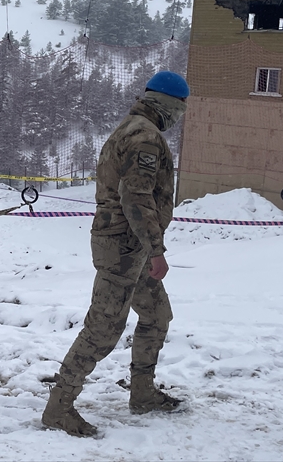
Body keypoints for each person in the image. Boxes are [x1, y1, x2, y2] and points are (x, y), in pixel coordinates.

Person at [42, 70, 189, 438]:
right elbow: (135, 198)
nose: (179, 117)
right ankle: (59, 407)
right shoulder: (145, 137)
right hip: (125, 247)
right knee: (104, 328)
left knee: (156, 314)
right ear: (168, 105)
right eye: (180, 109)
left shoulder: (132, 127)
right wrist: (156, 250)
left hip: (130, 246)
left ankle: (143, 393)